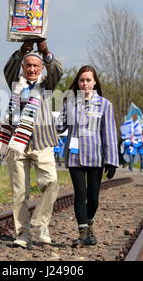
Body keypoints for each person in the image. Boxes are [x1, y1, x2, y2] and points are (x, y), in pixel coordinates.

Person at [0, 39, 62, 248]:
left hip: (42, 142)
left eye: (36, 66)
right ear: (23, 67)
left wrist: (44, 50)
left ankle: (41, 224)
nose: (31, 69)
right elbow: (8, 68)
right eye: (28, 65)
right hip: (17, 144)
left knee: (51, 183)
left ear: (41, 69)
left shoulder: (46, 85)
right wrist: (24, 49)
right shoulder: (16, 83)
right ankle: (22, 234)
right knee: (20, 191)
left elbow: (57, 70)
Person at [57, 65, 118, 247]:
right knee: (79, 194)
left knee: (93, 198)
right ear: (78, 82)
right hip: (75, 156)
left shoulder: (105, 105)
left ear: (95, 82)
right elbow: (59, 127)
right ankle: (83, 232)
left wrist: (112, 160)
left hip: (96, 156)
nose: (85, 84)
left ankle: (89, 224)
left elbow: (109, 133)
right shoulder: (69, 103)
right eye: (82, 80)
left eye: (88, 80)